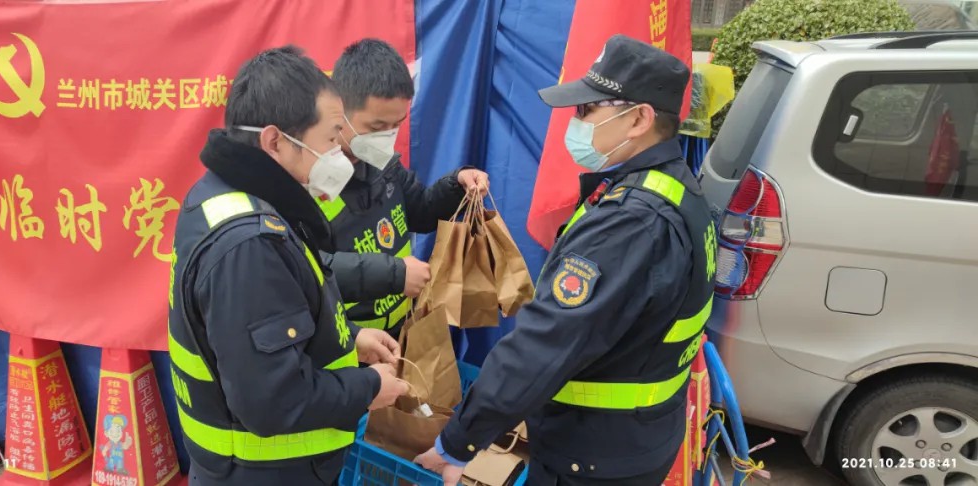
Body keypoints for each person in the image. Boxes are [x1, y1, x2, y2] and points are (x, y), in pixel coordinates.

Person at [415, 35, 717, 486]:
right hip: (635, 438)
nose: (574, 122)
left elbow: (545, 343)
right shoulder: (678, 190)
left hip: (593, 456)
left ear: (639, 119)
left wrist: (458, 441)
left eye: (587, 110)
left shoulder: (631, 222)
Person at [167, 46, 409, 486]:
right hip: (262, 474)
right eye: (331, 139)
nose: (339, 154)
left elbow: (264, 329)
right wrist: (369, 388)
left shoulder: (227, 196)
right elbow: (273, 401)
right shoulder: (248, 246)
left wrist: (349, 338)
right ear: (275, 141)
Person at [320, 38, 490, 337]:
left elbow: (421, 211)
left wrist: (457, 184)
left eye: (396, 125)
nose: (387, 137)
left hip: (403, 337)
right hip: (346, 347)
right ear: (339, 112)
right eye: (376, 127)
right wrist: (394, 275)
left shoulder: (383, 164)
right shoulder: (309, 179)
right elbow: (308, 270)